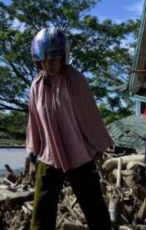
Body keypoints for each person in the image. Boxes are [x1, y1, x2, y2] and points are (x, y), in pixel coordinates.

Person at [26, 27, 113, 230]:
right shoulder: (36, 87)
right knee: (43, 205)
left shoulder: (76, 81)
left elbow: (90, 115)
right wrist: (32, 153)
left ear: (63, 57)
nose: (50, 65)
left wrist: (98, 147)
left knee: (92, 203)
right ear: (38, 61)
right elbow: (34, 121)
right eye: (45, 61)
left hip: (79, 153)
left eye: (54, 60)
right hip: (48, 154)